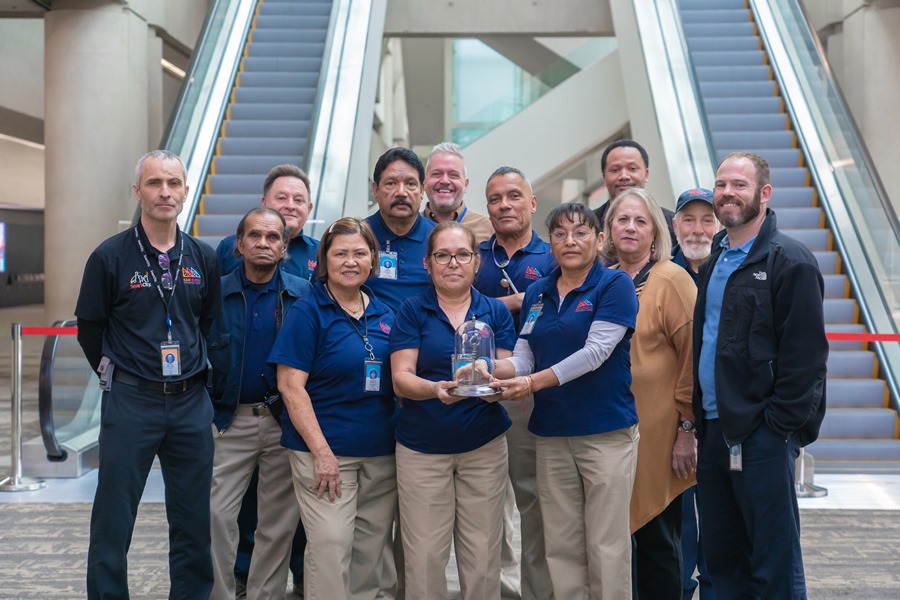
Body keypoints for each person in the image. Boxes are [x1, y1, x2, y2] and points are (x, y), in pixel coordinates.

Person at [75, 150, 221, 598]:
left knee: (194, 517)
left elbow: (210, 325)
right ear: (138, 191)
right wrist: (122, 374)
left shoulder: (202, 257)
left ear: (185, 191)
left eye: (173, 183)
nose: (165, 192)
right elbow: (90, 329)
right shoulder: (109, 257)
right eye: (155, 183)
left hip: (190, 403)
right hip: (131, 401)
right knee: (114, 516)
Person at [694, 151, 828, 598]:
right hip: (715, 432)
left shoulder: (791, 261)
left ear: (764, 194)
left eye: (739, 185)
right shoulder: (716, 260)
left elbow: (806, 358)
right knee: (723, 557)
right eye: (721, 185)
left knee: (773, 561)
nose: (727, 193)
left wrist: (777, 429)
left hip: (762, 437)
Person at [490, 203, 639, 600]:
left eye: (580, 232)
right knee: (561, 543)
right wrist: (482, 369)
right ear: (550, 243)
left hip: (604, 433)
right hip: (551, 434)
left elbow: (595, 353)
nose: (569, 241)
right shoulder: (537, 292)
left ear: (599, 239)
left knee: (606, 544)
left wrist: (532, 383)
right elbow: (523, 355)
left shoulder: (614, 285)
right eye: (559, 234)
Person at [269, 217, 397, 599]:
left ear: (373, 259)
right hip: (325, 454)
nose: (350, 261)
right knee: (330, 545)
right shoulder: (308, 312)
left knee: (371, 549)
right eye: (340, 253)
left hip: (381, 451)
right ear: (324, 260)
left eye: (360, 253)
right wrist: (322, 453)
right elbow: (290, 387)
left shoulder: (386, 311)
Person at [390, 222, 516, 599]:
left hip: (483, 447)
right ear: (427, 263)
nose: (452, 263)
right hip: (421, 450)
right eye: (442, 255)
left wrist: (494, 386)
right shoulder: (412, 310)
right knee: (425, 555)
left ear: (476, 263)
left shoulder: (494, 311)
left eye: (462, 254)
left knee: (482, 553)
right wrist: (436, 389)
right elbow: (400, 378)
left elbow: (507, 368)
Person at [215, 163, 315, 597]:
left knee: (278, 522)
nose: (262, 243)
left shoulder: (304, 295)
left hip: (282, 421)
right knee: (215, 514)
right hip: (227, 422)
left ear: (285, 248)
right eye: (254, 236)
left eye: (273, 237)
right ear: (238, 244)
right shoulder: (211, 295)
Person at [601, 188, 697, 599]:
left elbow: (694, 358)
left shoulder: (672, 279)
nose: (630, 228)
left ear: (656, 233)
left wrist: (687, 430)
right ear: (608, 229)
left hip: (661, 435)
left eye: (641, 221)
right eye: (622, 220)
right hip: (609, 430)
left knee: (658, 539)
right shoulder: (602, 280)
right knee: (614, 543)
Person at [473, 166, 555, 600]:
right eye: (495, 198)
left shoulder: (552, 254)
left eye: (514, 196)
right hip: (477, 396)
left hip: (529, 394)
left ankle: (539, 593)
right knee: (485, 509)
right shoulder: (472, 255)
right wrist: (517, 301)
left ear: (532, 203)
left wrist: (494, 306)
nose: (504, 205)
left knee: (533, 502)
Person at [671, 187, 720, 600]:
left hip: (723, 417)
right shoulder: (661, 273)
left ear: (719, 225)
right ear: (675, 226)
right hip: (674, 418)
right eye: (689, 219)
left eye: (707, 220)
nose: (698, 229)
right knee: (680, 518)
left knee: (721, 519)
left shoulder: (730, 268)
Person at [216, 163, 319, 280]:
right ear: (264, 203)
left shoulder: (321, 253)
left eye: (298, 200)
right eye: (281, 198)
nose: (290, 206)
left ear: (309, 209)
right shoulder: (229, 247)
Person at [365, 147, 437, 311]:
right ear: (375, 190)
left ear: (422, 190)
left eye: (411, 184)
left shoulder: (440, 239)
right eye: (391, 183)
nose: (401, 193)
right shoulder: (357, 237)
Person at [592, 140, 676, 252]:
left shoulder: (671, 224)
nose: (624, 176)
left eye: (632, 169)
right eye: (615, 170)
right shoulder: (589, 224)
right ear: (604, 177)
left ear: (646, 174)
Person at [421, 142, 494, 244]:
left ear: (466, 185)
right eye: (437, 174)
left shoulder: (490, 230)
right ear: (424, 182)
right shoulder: (409, 226)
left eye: (453, 175)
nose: (445, 181)